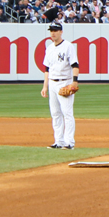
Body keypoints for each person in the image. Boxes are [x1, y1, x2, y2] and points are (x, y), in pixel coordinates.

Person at [40, 21, 79, 149]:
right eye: (51, 30)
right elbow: (47, 69)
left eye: (55, 30)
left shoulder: (68, 46)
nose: (53, 33)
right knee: (55, 113)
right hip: (52, 83)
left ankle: (69, 142)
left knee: (67, 113)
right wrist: (45, 86)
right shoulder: (49, 48)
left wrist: (74, 81)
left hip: (64, 82)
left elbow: (75, 65)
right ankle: (59, 141)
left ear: (61, 32)